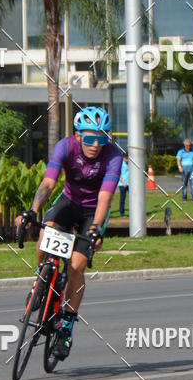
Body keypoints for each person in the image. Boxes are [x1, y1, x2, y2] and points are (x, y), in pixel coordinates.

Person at [16, 106, 122, 359]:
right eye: (89, 138)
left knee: (76, 265)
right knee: (46, 237)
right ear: (77, 136)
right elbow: (49, 182)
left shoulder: (114, 156)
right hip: (68, 202)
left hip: (93, 211)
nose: (95, 145)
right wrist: (33, 210)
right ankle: (40, 281)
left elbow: (106, 197)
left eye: (101, 138)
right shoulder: (65, 146)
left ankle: (66, 326)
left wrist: (96, 229)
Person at [118, 152, 129, 217]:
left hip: (129, 183)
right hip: (122, 184)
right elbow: (118, 174)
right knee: (122, 199)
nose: (128, 159)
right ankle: (122, 213)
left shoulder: (129, 163)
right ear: (124, 157)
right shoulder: (120, 163)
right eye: (127, 158)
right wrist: (123, 182)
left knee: (134, 199)